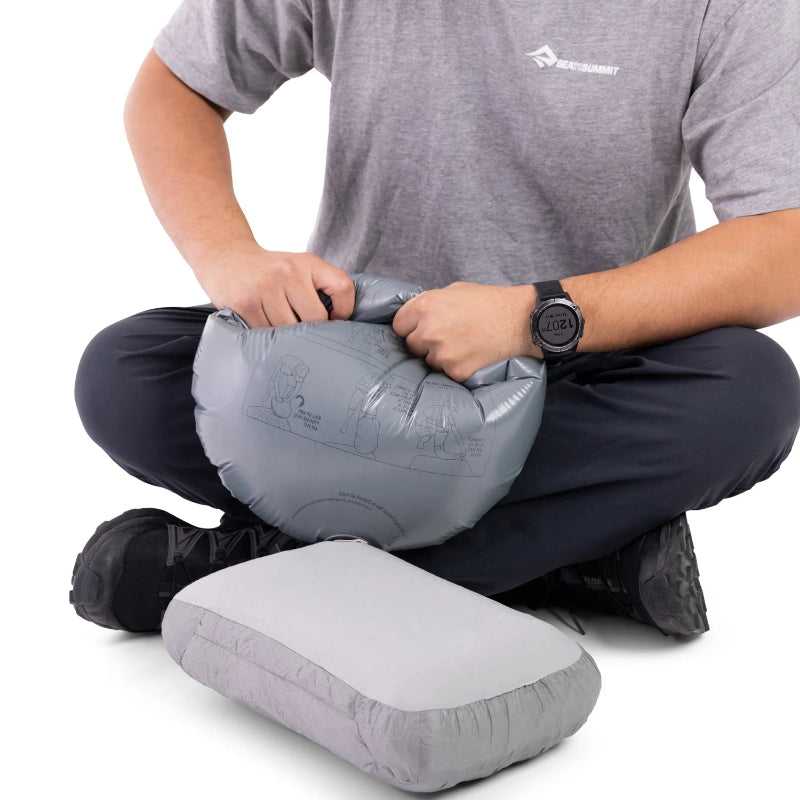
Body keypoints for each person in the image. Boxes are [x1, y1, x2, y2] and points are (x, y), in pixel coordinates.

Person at [69, 0, 800, 635]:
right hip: (349, 367)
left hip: (576, 362)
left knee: (753, 394)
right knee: (122, 374)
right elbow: (171, 88)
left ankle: (259, 567)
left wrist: (532, 316)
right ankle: (567, 557)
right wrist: (228, 258)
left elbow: (784, 243)